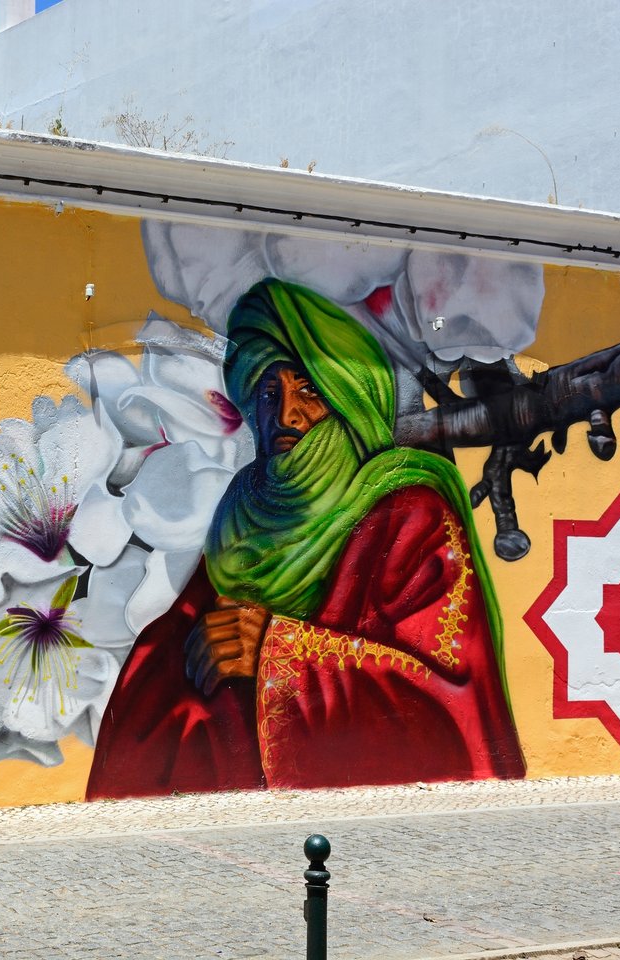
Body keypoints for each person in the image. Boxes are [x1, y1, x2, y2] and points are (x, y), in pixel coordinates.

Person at [86, 278, 525, 799]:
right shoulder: (246, 510)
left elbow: (449, 703)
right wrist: (197, 648)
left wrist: (275, 651)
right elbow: (179, 640)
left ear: (348, 400)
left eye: (309, 390)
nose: (285, 416)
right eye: (269, 394)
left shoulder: (413, 517)